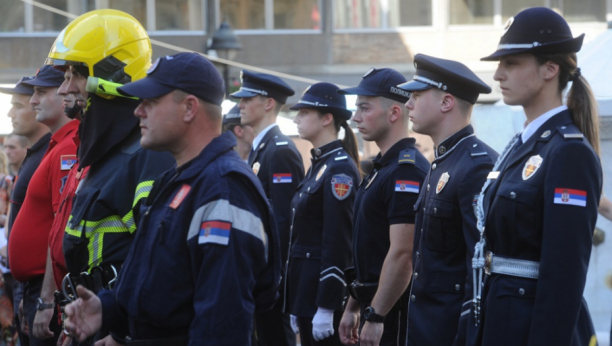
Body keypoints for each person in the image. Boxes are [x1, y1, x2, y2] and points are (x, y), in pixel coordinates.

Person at [61, 51, 281, 346]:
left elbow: (221, 325)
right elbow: (162, 283)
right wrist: (109, 310)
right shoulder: (177, 179)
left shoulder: (224, 190)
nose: (138, 111)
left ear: (189, 108)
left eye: (150, 102)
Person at [470, 7, 602, 346]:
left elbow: (564, 275)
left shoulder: (568, 152)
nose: (498, 75)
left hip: (530, 328)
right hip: (500, 320)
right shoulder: (521, 145)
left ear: (550, 69)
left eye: (511, 63)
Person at [44, 9, 175, 344]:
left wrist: (121, 334)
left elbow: (161, 267)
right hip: (92, 323)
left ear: (110, 72)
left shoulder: (149, 155)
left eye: (73, 75)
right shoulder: (104, 153)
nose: (63, 90)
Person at [397, 54, 498, 346]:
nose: (408, 104)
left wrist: (466, 335)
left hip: (450, 330)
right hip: (426, 326)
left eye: (417, 95)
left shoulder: (475, 165)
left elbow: (479, 267)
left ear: (446, 102)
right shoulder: (442, 162)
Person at [337, 68, 429, 346]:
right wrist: (353, 306)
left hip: (392, 312)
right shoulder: (383, 168)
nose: (355, 117)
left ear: (394, 113)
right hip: (373, 304)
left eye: (364, 108)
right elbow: (371, 250)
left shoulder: (406, 171)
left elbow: (403, 255)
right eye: (356, 109)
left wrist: (376, 316)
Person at [284, 82, 361, 346]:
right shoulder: (320, 164)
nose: (297, 119)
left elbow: (338, 241)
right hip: (307, 297)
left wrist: (327, 305)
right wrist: (297, 303)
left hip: (321, 300)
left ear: (327, 119)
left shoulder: (339, 170)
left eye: (304, 113)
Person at [231, 70, 304, 346]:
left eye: (247, 98)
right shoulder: (262, 150)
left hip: (274, 277)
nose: (240, 105)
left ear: (268, 103)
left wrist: (278, 278)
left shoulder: (280, 149)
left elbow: (285, 221)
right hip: (262, 274)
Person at [7, 65, 77, 346]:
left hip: (48, 290)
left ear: (64, 95)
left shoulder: (68, 147)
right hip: (35, 288)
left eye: (40, 92)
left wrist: (46, 299)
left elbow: (59, 225)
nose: (34, 100)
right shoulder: (55, 145)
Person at [0, 75, 51, 346]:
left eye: (18, 105)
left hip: (41, 288)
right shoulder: (37, 154)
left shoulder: (53, 154)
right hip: (27, 288)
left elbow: (57, 227)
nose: (10, 112)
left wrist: (45, 297)